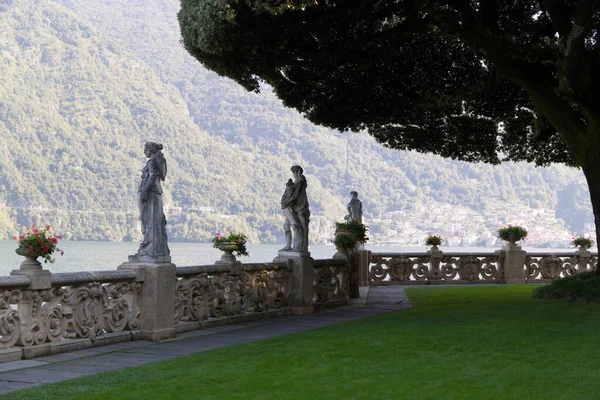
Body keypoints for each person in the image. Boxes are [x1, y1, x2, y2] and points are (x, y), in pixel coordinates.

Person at [136, 142, 170, 258]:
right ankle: (155, 248)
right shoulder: (155, 160)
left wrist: (144, 190)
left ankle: (150, 248)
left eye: (145, 149)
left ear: (149, 150)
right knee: (154, 220)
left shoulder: (151, 162)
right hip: (155, 193)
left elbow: (152, 176)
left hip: (151, 194)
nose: (144, 152)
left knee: (150, 220)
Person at [281, 165, 310, 252]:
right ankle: (288, 246)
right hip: (292, 208)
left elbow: (295, 196)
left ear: (297, 172)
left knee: (295, 226)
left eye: (293, 172)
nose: (293, 175)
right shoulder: (298, 182)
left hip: (298, 208)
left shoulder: (300, 182)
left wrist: (286, 201)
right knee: (286, 226)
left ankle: (297, 247)